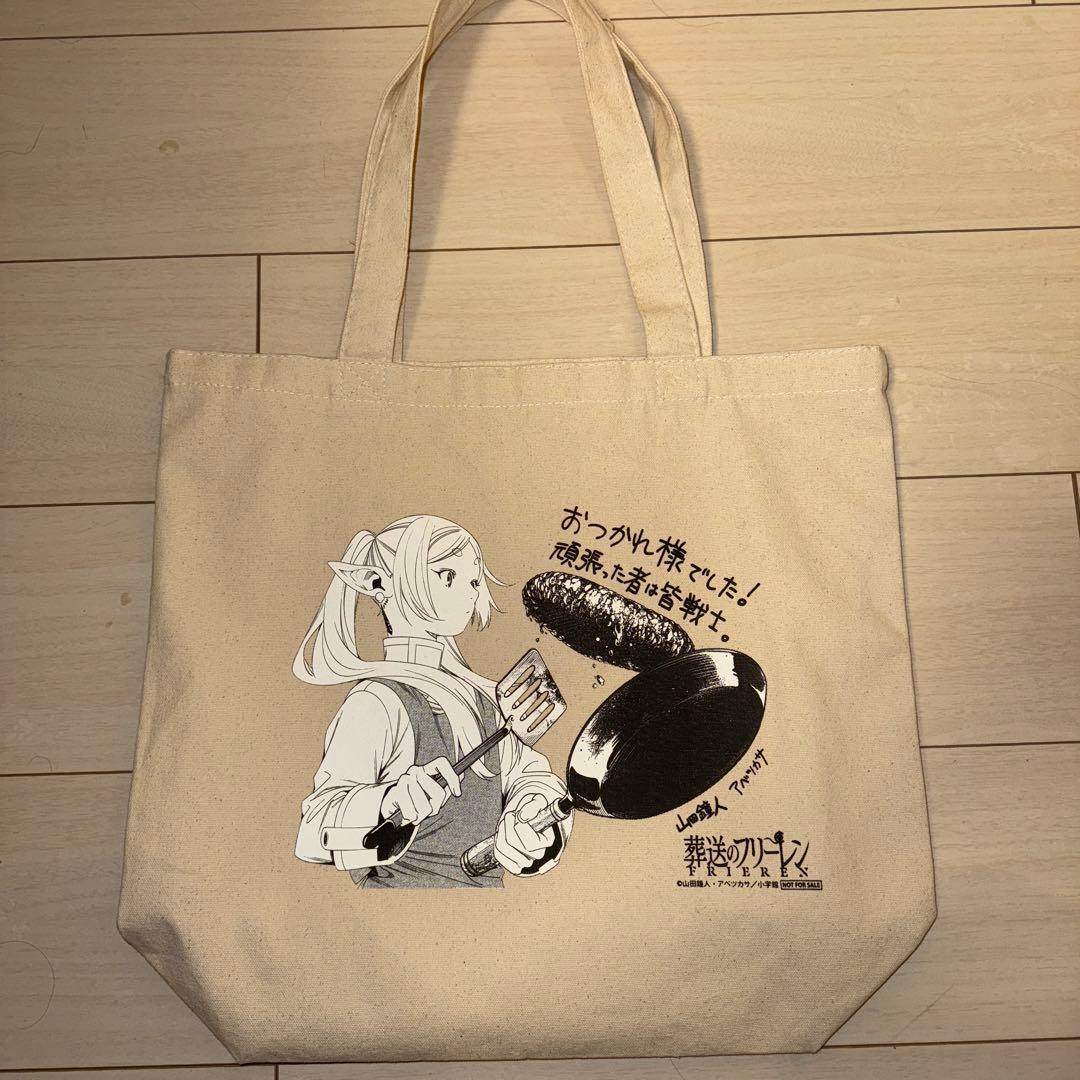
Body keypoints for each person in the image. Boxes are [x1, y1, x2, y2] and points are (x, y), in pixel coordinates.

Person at [292, 514, 572, 888]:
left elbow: (531, 776)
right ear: (379, 584)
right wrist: (388, 800)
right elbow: (313, 831)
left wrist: (530, 813)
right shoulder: (376, 702)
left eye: (474, 580)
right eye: (447, 575)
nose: (471, 591)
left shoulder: (483, 702)